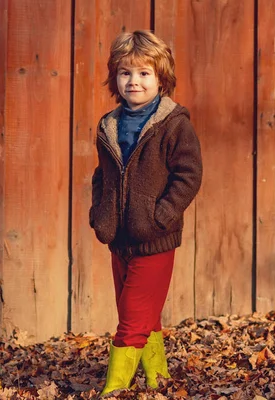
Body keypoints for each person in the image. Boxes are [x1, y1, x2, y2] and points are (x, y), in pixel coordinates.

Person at [89, 30, 203, 395]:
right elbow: (101, 174)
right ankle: (158, 378)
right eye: (125, 73)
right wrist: (99, 212)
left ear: (161, 78)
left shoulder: (174, 125)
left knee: (131, 323)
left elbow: (189, 175)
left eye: (144, 73)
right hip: (118, 239)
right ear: (115, 78)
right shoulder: (109, 124)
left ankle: (114, 390)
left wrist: (161, 216)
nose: (133, 81)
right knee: (141, 315)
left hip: (154, 238)